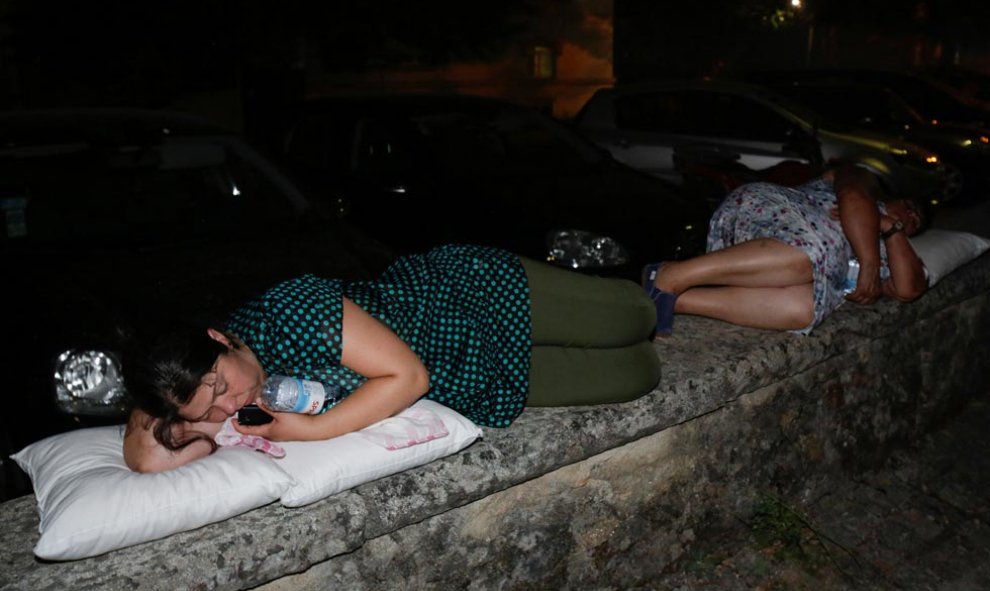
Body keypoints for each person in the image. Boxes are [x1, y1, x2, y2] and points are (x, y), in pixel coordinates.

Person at [123, 244, 661, 473]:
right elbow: (148, 460)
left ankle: (670, 280)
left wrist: (315, 431)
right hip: (472, 378)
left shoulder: (288, 310)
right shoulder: (199, 397)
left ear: (219, 337)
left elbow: (407, 376)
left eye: (220, 386)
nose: (231, 405)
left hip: (467, 299)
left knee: (635, 318)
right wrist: (159, 403)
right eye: (208, 413)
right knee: (639, 373)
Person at [642, 164, 929, 335]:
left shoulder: (892, 249)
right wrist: (868, 263)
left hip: (775, 267)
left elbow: (908, 290)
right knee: (809, 257)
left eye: (918, 222)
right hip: (767, 212)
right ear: (894, 196)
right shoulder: (867, 188)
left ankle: (676, 300)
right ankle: (672, 274)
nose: (913, 215)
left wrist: (892, 229)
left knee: (804, 310)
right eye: (912, 206)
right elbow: (852, 195)